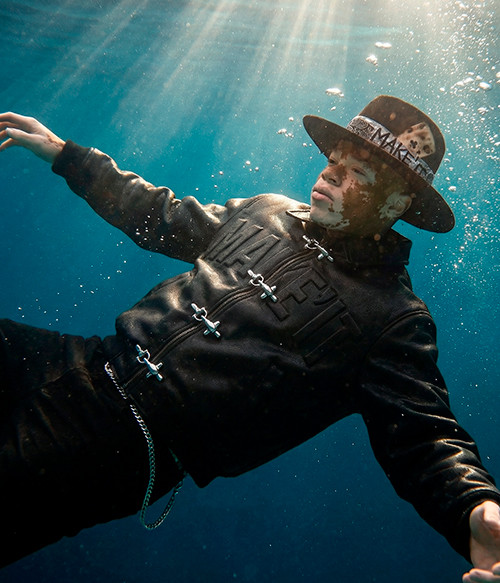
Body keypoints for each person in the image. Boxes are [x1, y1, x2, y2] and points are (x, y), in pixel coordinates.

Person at [0, 96, 499, 581]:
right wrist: (68, 155)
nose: (330, 174)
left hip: (122, 446)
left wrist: (473, 506)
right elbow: (160, 215)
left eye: (358, 173)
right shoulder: (267, 209)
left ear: (397, 203)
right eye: (333, 160)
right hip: (83, 360)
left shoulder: (391, 319)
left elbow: (424, 436)